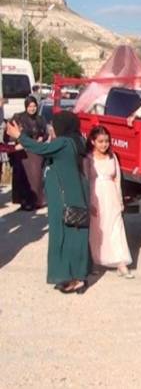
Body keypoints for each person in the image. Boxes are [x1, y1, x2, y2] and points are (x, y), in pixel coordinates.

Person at [5, 111, 91, 294]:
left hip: (65, 197)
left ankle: (74, 278)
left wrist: (19, 136)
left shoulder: (64, 143)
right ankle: (76, 276)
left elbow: (40, 149)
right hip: (71, 195)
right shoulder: (75, 141)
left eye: (55, 125)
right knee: (74, 237)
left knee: (65, 237)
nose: (52, 127)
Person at [84, 126, 134, 278]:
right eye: (100, 141)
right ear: (93, 141)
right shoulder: (88, 159)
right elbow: (85, 181)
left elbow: (117, 179)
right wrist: (88, 202)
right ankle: (94, 261)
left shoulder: (112, 157)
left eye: (106, 141)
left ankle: (121, 263)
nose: (104, 145)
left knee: (116, 229)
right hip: (95, 195)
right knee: (97, 230)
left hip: (111, 195)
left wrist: (120, 200)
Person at [10, 96, 48, 210]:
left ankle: (36, 202)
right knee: (23, 178)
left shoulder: (40, 119)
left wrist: (42, 138)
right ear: (26, 106)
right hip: (23, 152)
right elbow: (11, 132)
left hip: (36, 152)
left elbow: (45, 133)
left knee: (36, 178)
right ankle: (24, 201)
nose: (32, 108)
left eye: (34, 106)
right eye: (30, 106)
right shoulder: (19, 117)